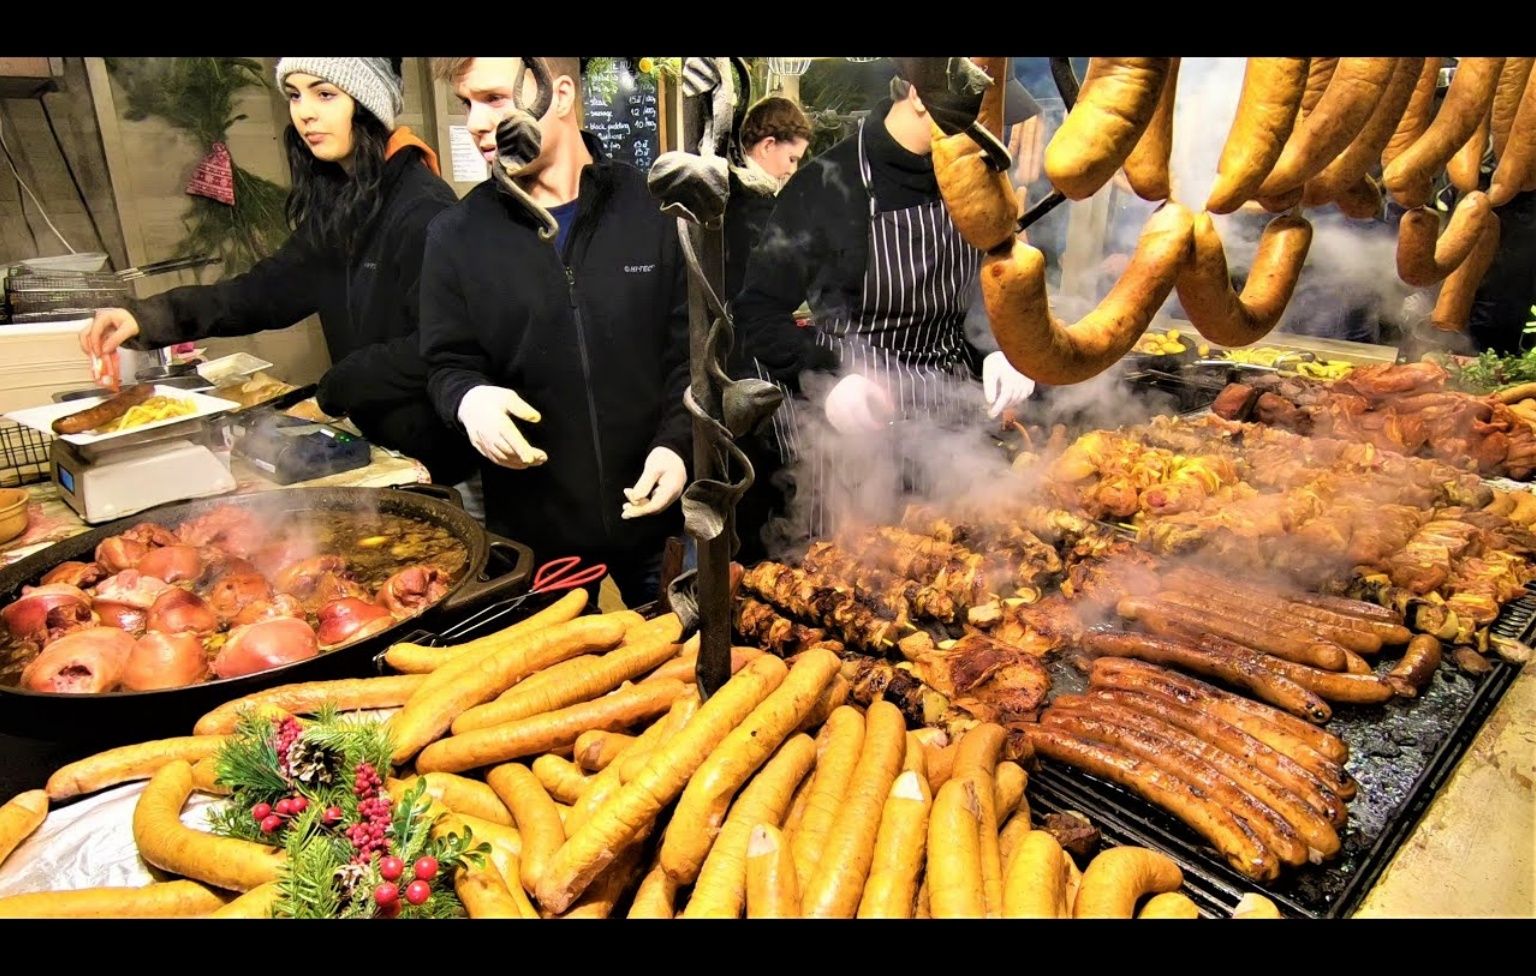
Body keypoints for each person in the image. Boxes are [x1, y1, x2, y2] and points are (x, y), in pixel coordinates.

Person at [80, 58, 475, 488]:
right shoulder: (343, 199)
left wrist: (333, 390)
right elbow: (268, 290)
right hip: (381, 444)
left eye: (325, 94)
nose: (305, 112)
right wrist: (151, 317)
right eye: (294, 94)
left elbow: (439, 346)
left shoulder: (422, 209)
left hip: (438, 462)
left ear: (366, 105)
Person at [419, 57, 691, 606]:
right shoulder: (456, 235)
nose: (475, 121)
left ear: (560, 94)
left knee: (684, 673)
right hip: (540, 540)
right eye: (466, 103)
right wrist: (469, 400)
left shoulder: (657, 209)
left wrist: (680, 447)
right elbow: (446, 361)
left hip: (657, 518)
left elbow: (693, 356)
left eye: (494, 99)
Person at [731, 71, 1039, 545]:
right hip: (855, 432)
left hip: (948, 425)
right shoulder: (826, 186)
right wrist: (828, 377)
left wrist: (998, 345)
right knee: (855, 584)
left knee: (958, 569)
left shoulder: (973, 179)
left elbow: (988, 274)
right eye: (978, 117)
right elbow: (757, 313)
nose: (989, 134)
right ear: (919, 94)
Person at [725, 96, 813, 300]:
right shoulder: (749, 204)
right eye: (792, 159)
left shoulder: (733, 186)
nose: (792, 170)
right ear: (767, 146)